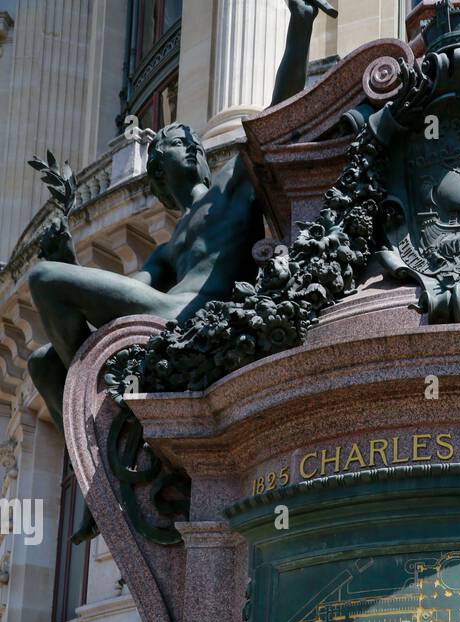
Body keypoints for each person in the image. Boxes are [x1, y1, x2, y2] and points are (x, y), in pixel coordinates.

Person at [29, 0, 335, 432]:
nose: (179, 144)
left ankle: (110, 426)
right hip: (163, 313)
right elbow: (118, 303)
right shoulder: (167, 250)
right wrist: (72, 262)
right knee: (43, 362)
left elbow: (275, 118)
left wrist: (300, 26)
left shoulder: (231, 185)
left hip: (196, 313)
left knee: (44, 278)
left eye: (181, 139)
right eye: (169, 143)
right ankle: (104, 437)